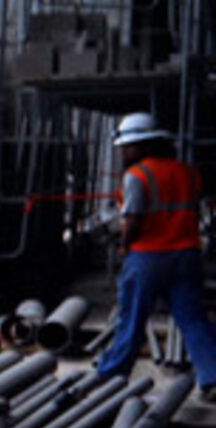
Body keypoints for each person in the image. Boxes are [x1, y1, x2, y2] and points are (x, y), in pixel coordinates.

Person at [90, 112, 216, 401]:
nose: (123, 152)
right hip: (186, 254)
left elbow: (131, 219)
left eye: (127, 146)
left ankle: (112, 375)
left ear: (143, 146)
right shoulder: (188, 172)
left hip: (149, 256)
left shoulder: (137, 176)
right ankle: (212, 375)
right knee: (193, 317)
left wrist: (124, 243)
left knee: (131, 318)